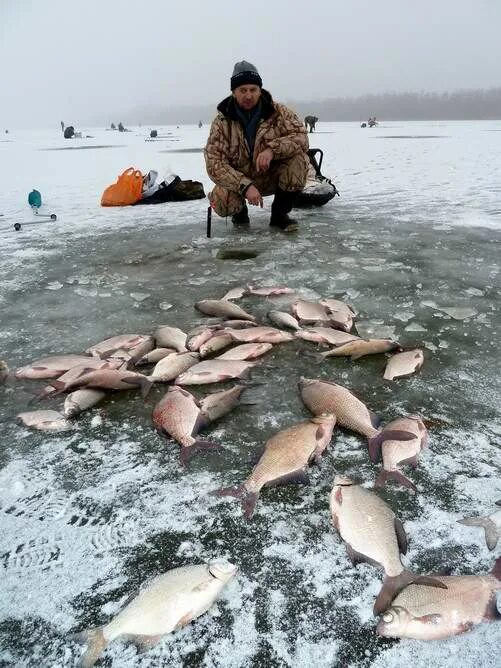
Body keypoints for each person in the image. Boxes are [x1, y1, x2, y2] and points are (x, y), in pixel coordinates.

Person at [204, 60, 309, 233]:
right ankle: (240, 214)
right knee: (223, 201)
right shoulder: (221, 122)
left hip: (270, 175)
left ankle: (279, 215)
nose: (248, 95)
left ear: (260, 90)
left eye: (253, 90)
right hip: (241, 180)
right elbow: (214, 163)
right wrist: (244, 185)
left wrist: (272, 150)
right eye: (242, 90)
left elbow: (301, 138)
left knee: (298, 162)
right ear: (233, 92)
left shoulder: (279, 112)